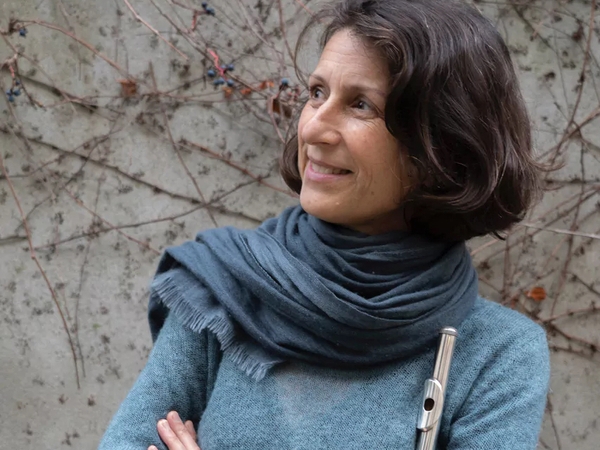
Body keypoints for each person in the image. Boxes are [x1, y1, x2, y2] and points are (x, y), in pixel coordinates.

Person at [98, 0, 550, 449]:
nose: (313, 128)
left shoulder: (498, 354)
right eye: (316, 93)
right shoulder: (224, 290)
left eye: (360, 104)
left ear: (441, 147)